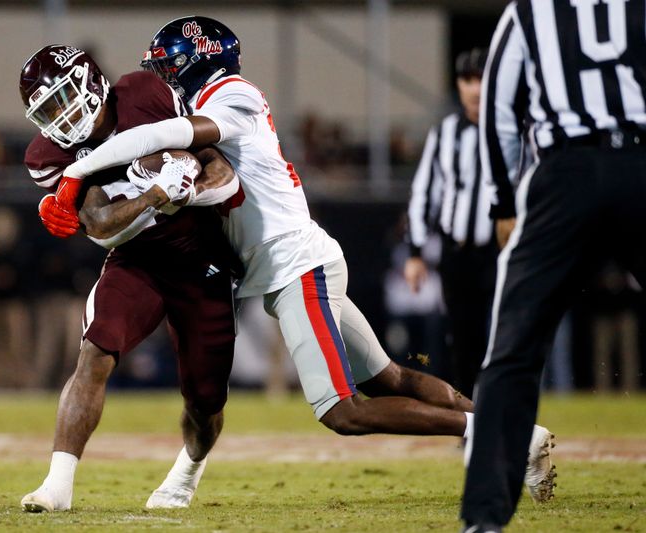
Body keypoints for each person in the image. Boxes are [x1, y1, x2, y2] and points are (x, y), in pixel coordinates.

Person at [47, 16, 554, 495]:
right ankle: (515, 435)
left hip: (296, 267)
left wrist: (76, 172)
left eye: (166, 65)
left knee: (342, 411)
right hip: (291, 263)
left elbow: (167, 136)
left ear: (192, 61)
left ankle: (501, 434)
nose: (161, 77)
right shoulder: (208, 98)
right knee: (389, 379)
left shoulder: (230, 95)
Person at [17, 45, 241, 512]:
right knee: (94, 353)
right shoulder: (48, 155)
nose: (61, 116)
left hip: (199, 257)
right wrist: (157, 194)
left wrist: (191, 189)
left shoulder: (143, 94)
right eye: (48, 111)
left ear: (91, 82)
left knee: (204, 400)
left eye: (63, 98)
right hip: (135, 258)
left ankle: (186, 474)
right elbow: (100, 225)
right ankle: (57, 486)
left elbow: (218, 167)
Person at [460, 1, 646, 530]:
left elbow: (499, 106)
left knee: (512, 354)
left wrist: (502, 200)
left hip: (565, 174)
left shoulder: (530, 11)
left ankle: (484, 519)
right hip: (639, 160)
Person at [405, 48, 497, 397]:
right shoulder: (444, 133)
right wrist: (415, 252)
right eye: (467, 79)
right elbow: (423, 193)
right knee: (462, 339)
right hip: (457, 253)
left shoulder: (515, 129)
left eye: (482, 79)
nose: (475, 89)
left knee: (506, 340)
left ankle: (510, 419)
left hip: (503, 252)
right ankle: (472, 422)